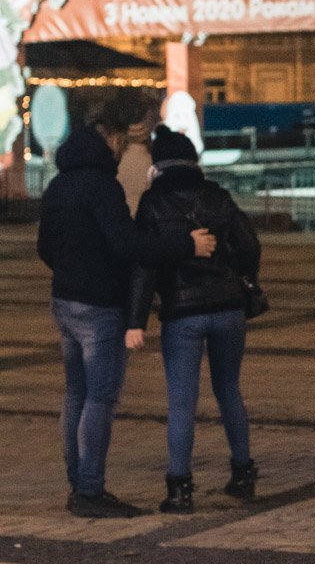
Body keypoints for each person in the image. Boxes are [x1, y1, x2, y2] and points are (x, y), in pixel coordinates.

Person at [37, 103, 217, 518]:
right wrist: (186, 244)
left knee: (76, 393)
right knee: (100, 398)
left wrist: (71, 270)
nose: (122, 151)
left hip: (64, 300)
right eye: (122, 141)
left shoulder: (59, 185)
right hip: (99, 305)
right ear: (110, 138)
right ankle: (90, 491)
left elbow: (46, 247)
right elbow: (128, 245)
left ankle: (77, 483)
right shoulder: (102, 186)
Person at [125, 126, 262, 513]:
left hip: (182, 313)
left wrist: (136, 319)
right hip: (227, 306)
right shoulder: (218, 197)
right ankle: (243, 474)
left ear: (159, 165)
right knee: (229, 391)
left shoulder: (153, 204)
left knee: (182, 401)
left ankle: (180, 489)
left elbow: (144, 265)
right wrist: (238, 275)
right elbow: (249, 245)